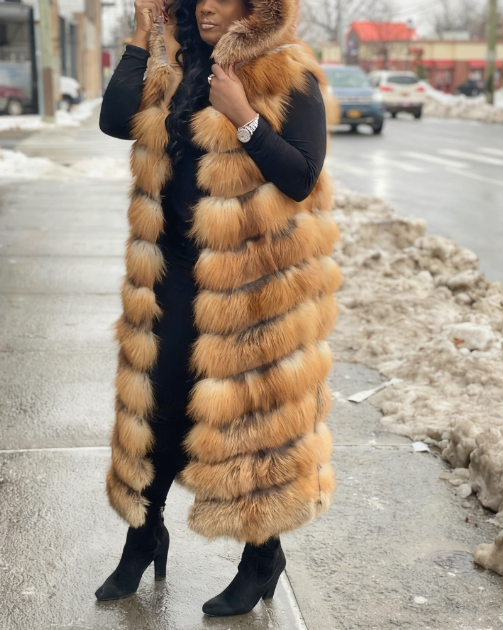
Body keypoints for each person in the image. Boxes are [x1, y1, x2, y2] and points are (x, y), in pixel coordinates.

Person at [95, 0, 342, 616]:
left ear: (255, 8)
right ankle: (143, 536)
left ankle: (261, 558)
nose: (206, 4)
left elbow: (302, 176)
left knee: (251, 428)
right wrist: (142, 38)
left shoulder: (289, 73)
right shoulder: (176, 67)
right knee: (159, 407)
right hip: (173, 274)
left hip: (254, 291)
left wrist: (244, 118)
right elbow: (113, 120)